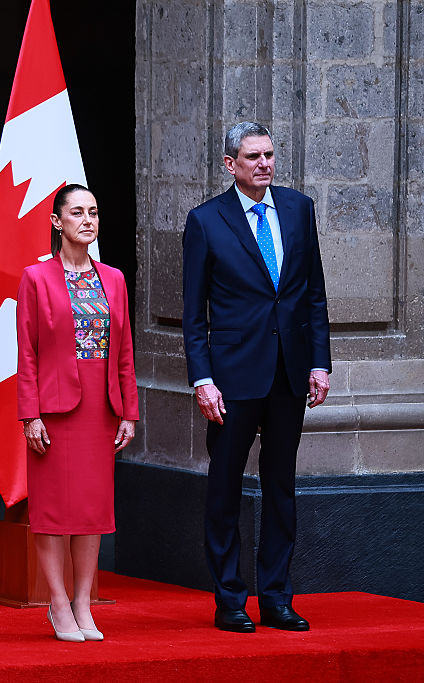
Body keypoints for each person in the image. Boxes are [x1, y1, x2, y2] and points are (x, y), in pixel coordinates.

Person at [182, 122, 331, 633]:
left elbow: (313, 295)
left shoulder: (298, 208)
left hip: (289, 373)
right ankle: (229, 600)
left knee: (281, 488)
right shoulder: (205, 222)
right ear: (231, 164)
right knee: (224, 490)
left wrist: (319, 362)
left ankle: (276, 598)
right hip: (231, 380)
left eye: (269, 154)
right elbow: (193, 313)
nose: (264, 164)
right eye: (253, 157)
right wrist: (202, 380)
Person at [16, 184, 139, 642]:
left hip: (101, 407)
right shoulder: (36, 278)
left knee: (91, 509)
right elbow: (26, 354)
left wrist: (129, 411)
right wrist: (30, 415)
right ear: (56, 221)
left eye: (94, 211)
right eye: (77, 213)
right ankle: (57, 602)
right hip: (53, 408)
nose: (87, 220)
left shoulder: (114, 279)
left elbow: (124, 349)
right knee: (52, 510)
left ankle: (84, 601)